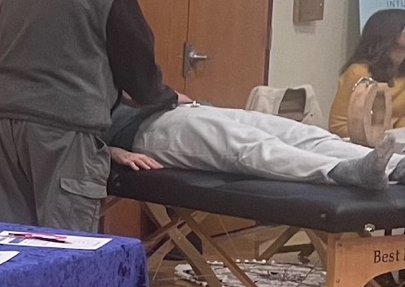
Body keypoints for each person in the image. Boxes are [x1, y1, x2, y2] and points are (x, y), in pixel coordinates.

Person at [0, 0, 179, 232]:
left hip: (5, 124)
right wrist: (163, 97)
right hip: (64, 129)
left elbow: (1, 49)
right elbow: (137, 62)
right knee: (64, 246)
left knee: (12, 242)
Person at [106, 101, 405, 186]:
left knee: (298, 133)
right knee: (249, 146)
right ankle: (342, 170)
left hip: (181, 108)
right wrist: (110, 151)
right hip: (144, 133)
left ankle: (395, 166)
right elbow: (59, 135)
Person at [328, 8, 405, 141]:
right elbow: (337, 125)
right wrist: (375, 136)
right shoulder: (359, 72)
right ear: (388, 34)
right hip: (362, 148)